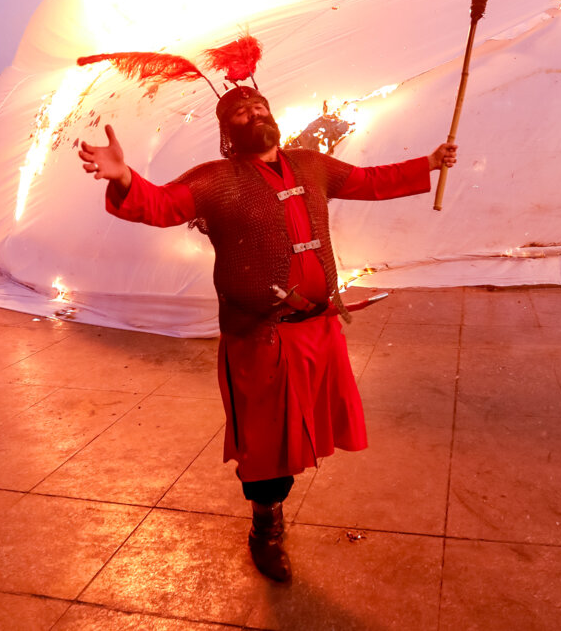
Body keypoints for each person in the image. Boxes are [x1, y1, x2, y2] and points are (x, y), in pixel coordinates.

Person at [78, 84, 457, 582]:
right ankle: (265, 529)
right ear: (226, 130)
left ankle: (272, 514)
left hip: (318, 332)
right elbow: (164, 204)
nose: (253, 113)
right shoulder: (216, 178)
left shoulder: (311, 164)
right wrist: (125, 176)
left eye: (259, 106)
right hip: (261, 338)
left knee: (301, 439)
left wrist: (428, 162)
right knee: (265, 449)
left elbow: (366, 179)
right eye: (240, 111)